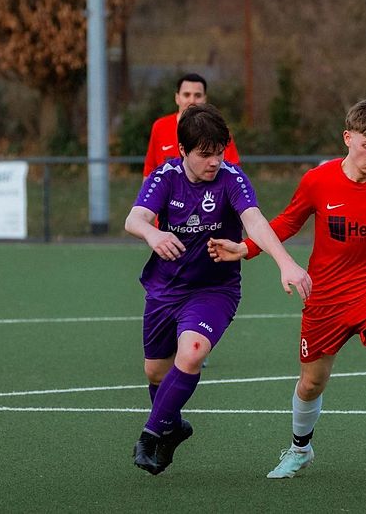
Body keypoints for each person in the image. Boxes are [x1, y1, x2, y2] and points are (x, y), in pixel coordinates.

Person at [208, 99, 366, 479]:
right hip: (324, 296)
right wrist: (247, 248)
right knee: (311, 383)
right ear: (348, 138)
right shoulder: (318, 180)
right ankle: (300, 450)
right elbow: (288, 221)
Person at [126, 103, 311, 476]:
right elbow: (135, 218)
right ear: (183, 151)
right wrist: (153, 233)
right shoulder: (166, 177)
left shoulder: (231, 178)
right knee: (156, 372)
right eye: (205, 154)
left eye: (220, 152)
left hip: (215, 289)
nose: (214, 161)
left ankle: (150, 434)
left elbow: (254, 222)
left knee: (192, 352)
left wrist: (285, 262)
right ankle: (174, 426)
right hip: (165, 288)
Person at [143, 73, 241, 177]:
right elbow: (150, 169)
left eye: (197, 95)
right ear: (177, 98)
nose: (192, 101)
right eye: (186, 95)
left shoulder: (219, 130)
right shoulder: (160, 127)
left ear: (205, 99)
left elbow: (234, 172)